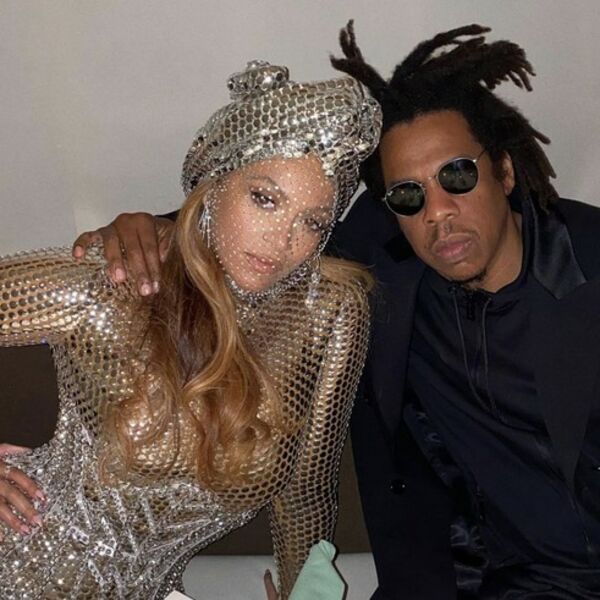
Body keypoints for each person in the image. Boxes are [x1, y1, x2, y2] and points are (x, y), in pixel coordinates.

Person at [67, 23, 600, 598]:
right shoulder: (382, 261)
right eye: (408, 194)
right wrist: (154, 230)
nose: (437, 212)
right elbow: (268, 237)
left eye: (457, 175)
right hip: (470, 578)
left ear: (505, 171)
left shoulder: (590, 259)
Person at [0, 60, 381, 599]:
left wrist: (307, 594)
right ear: (215, 183)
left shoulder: (331, 312)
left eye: (313, 221)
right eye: (265, 198)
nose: (282, 240)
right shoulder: (118, 287)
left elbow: (304, 494)